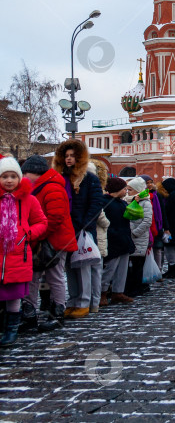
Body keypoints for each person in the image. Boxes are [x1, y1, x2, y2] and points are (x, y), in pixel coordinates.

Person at [21, 155, 77, 333]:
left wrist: (35, 235)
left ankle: (58, 312)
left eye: (25, 173)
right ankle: (30, 314)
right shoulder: (41, 186)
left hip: (54, 241)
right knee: (34, 277)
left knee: (55, 276)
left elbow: (55, 218)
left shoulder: (52, 187)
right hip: (44, 239)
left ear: (34, 172)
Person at [53, 140, 103, 319]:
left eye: (73, 156)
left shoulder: (90, 179)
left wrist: (84, 224)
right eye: (66, 156)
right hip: (66, 229)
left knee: (83, 267)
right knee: (70, 267)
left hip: (83, 229)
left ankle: (84, 302)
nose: (69, 159)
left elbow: (96, 204)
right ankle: (73, 300)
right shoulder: (61, 178)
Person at [0, 157, 47, 347]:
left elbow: (42, 222)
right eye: (4, 176)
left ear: (19, 178)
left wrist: (27, 234)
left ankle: (12, 330)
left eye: (13, 176)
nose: (9, 180)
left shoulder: (29, 200)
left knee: (13, 296)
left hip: (18, 256)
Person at [101, 178, 135, 305]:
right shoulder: (105, 202)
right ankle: (102, 292)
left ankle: (118, 292)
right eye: (124, 189)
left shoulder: (121, 203)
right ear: (117, 189)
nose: (126, 191)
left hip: (124, 239)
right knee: (109, 268)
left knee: (122, 269)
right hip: (113, 240)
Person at [124, 177, 153, 297]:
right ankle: (130, 288)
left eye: (130, 190)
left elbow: (147, 221)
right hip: (130, 237)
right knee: (130, 265)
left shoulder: (145, 202)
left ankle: (137, 288)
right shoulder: (130, 201)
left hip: (138, 238)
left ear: (137, 190)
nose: (127, 192)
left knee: (137, 265)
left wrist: (135, 232)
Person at [88, 161, 110, 314]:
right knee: (95, 269)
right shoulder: (97, 192)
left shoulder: (94, 192)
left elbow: (99, 213)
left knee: (94, 269)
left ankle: (93, 300)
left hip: (95, 235)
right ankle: (93, 300)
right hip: (95, 234)